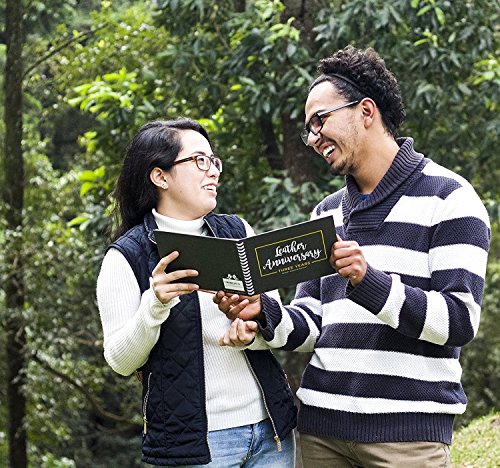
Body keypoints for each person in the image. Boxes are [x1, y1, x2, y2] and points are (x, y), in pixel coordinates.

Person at [214, 46, 491, 467]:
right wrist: (263, 313)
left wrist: (369, 281)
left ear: (365, 110)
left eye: (320, 120)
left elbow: (458, 321)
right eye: (308, 130)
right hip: (320, 433)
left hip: (406, 439)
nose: (313, 138)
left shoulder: (450, 198)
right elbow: (312, 324)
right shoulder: (325, 213)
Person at [96, 118, 296, 467]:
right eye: (199, 160)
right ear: (160, 176)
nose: (213, 171)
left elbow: (281, 327)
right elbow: (121, 362)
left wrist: (252, 330)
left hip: (270, 432)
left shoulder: (237, 231)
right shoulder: (126, 256)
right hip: (196, 446)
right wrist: (154, 305)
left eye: (214, 161)